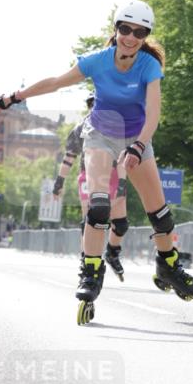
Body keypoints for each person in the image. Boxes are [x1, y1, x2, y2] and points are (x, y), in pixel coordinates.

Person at [0, 0, 193, 324]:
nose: (131, 37)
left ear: (146, 36)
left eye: (139, 32)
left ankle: (168, 265)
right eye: (125, 29)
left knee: (161, 216)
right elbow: (56, 82)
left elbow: (153, 113)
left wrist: (138, 146)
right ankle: (90, 271)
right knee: (99, 206)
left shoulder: (148, 65)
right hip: (100, 136)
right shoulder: (97, 61)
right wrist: (12, 98)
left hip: (137, 139)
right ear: (116, 29)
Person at [52, 93, 129, 280]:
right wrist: (59, 181)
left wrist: (122, 181)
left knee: (120, 224)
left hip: (113, 174)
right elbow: (69, 158)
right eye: (92, 104)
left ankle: (112, 253)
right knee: (90, 218)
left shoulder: (116, 125)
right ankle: (87, 261)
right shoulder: (81, 128)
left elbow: (123, 156)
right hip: (89, 175)